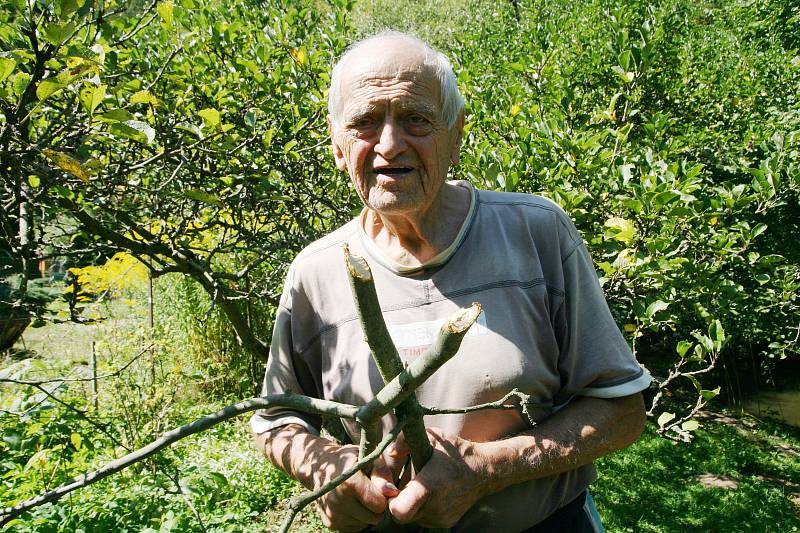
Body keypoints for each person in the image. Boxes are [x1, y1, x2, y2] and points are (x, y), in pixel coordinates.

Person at [251, 31, 651, 532]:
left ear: (456, 133)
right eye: (365, 123)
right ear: (337, 142)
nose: (390, 145)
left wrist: (491, 468)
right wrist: (324, 468)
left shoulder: (535, 232)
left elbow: (622, 408)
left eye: (416, 118)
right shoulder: (318, 272)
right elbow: (275, 418)